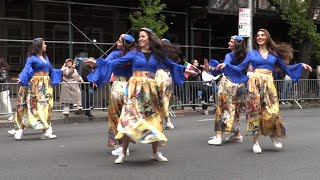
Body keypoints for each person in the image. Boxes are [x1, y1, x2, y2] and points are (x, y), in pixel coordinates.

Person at [85, 27, 196, 164]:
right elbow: (116, 62)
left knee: (154, 119)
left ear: (149, 38)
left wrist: (186, 71)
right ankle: (123, 153)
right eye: (139, 37)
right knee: (128, 119)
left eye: (143, 36)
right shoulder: (135, 54)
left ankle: (155, 153)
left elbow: (172, 65)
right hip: (134, 89)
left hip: (150, 91)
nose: (140, 39)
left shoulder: (157, 55)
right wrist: (97, 63)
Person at [216, 29, 312, 153]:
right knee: (254, 111)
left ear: (267, 38)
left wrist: (300, 65)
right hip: (254, 84)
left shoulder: (274, 54)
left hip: (269, 84)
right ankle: (256, 142)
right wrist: (227, 66)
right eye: (258, 36)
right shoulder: (252, 53)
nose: (260, 37)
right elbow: (240, 67)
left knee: (273, 111)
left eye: (262, 35)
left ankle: (273, 134)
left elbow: (285, 68)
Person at [88, 34, 136, 156]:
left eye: (119, 41)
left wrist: (96, 72)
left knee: (115, 115)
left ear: (125, 44)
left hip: (120, 86)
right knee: (126, 115)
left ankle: (121, 144)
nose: (116, 41)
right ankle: (124, 144)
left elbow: (105, 63)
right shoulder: (132, 54)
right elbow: (105, 63)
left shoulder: (120, 54)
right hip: (131, 87)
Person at [14, 37, 63, 140]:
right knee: (33, 106)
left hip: (46, 84)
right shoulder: (31, 58)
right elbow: (26, 69)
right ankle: (20, 129)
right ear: (39, 46)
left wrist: (61, 70)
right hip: (36, 84)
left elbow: (51, 70)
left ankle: (45, 131)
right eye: (44, 44)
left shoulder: (46, 58)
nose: (46, 45)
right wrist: (22, 78)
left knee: (47, 106)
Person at [208, 35, 247, 146]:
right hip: (241, 85)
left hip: (228, 84)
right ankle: (237, 135)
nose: (228, 43)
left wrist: (212, 68)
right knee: (236, 111)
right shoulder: (245, 57)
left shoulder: (229, 55)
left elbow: (225, 65)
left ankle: (218, 136)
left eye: (231, 41)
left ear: (236, 44)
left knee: (221, 108)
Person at [155, 38, 176, 129]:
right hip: (161, 76)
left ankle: (164, 120)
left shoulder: (166, 55)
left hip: (166, 77)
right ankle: (166, 120)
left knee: (165, 99)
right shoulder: (159, 54)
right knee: (163, 99)